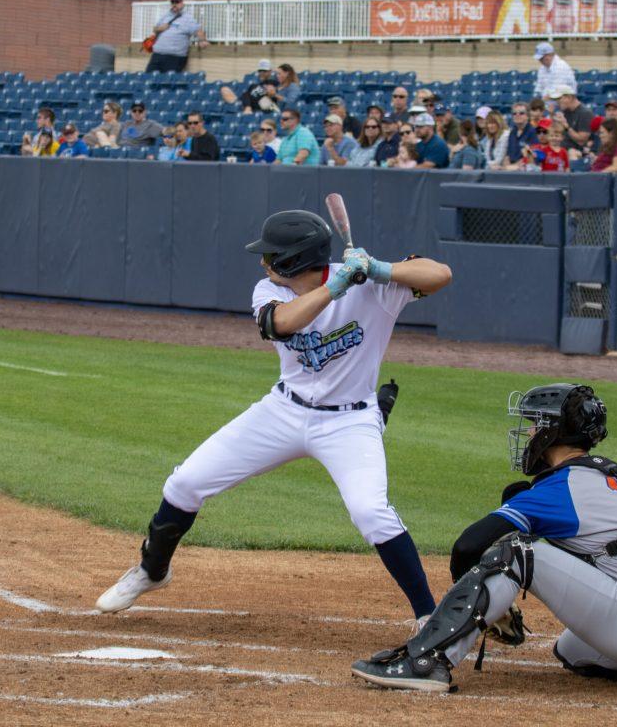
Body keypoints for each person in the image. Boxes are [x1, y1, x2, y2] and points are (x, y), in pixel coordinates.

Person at [95, 211, 452, 626]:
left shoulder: (373, 286)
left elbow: (439, 274)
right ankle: (151, 571)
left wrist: (379, 269)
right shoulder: (270, 290)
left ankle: (430, 616)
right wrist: (336, 288)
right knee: (185, 483)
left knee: (371, 513)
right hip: (283, 411)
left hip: (349, 422)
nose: (264, 263)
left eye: (271, 256)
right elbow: (281, 323)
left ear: (292, 261)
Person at [351, 383, 617, 694]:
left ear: (552, 432)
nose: (527, 433)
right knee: (571, 649)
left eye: (533, 424)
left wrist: (482, 601)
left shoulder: (562, 489)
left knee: (518, 552)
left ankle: (427, 661)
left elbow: (468, 545)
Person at [146, 0, 207, 74]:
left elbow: (198, 30)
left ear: (182, 4)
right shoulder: (165, 16)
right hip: (157, 55)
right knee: (149, 79)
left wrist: (202, 40)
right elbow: (155, 29)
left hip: (175, 57)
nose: (174, 4)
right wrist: (159, 28)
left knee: (167, 83)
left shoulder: (187, 18)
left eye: (177, 2)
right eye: (173, 2)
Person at [549, 85, 594, 155]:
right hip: (560, 150)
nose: (557, 102)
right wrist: (552, 115)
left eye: (559, 99)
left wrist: (567, 127)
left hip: (575, 152)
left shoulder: (585, 113)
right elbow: (556, 133)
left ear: (569, 97)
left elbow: (582, 140)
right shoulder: (565, 111)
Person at [506, 102, 538, 166]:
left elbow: (532, 156)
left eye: (521, 113)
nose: (517, 115)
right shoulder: (512, 132)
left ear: (528, 116)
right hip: (511, 168)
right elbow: (508, 155)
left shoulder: (533, 132)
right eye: (514, 113)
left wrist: (514, 166)